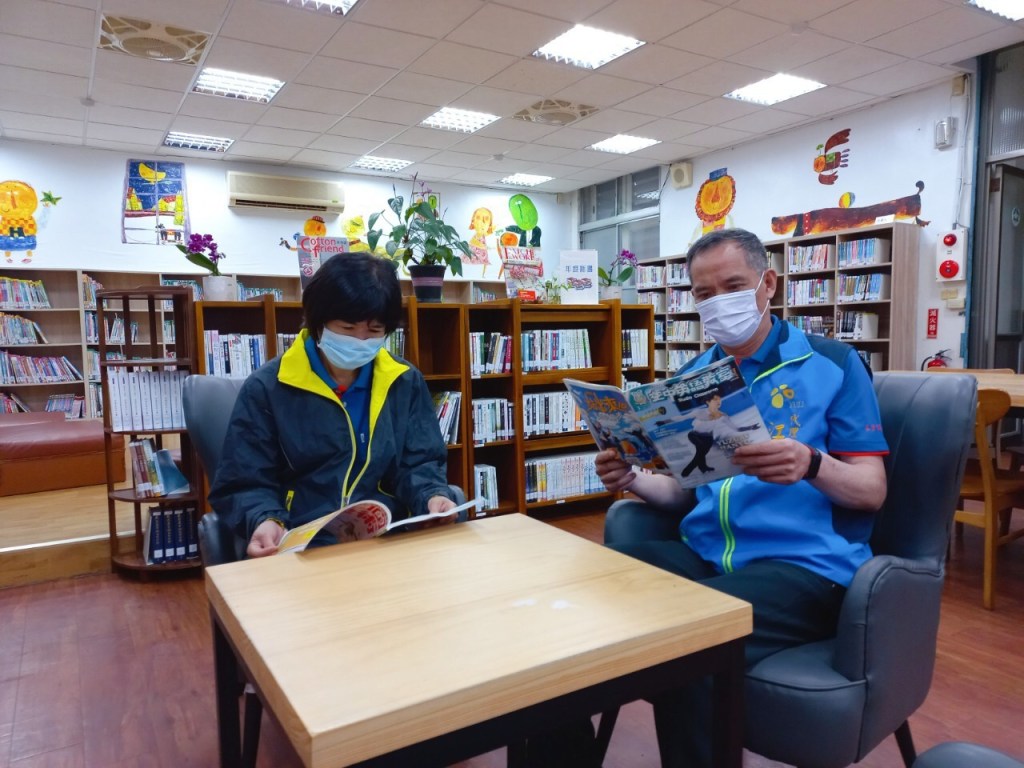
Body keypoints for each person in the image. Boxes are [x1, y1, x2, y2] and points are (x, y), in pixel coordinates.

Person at [596, 228, 889, 767]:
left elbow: (872, 491)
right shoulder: (691, 378)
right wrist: (632, 479)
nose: (718, 303)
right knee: (596, 592)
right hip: (709, 556)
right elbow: (686, 491)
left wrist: (812, 463)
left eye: (733, 286)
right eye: (703, 294)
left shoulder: (833, 364)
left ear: (767, 284)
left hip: (804, 568)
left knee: (689, 639)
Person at [208, 251, 457, 557]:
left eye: (374, 331)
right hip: (302, 545)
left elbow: (420, 463)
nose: (360, 340)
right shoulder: (268, 388)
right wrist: (265, 519)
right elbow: (244, 482)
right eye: (348, 329)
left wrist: (432, 495)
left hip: (387, 541)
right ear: (318, 323)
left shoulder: (404, 381)